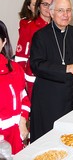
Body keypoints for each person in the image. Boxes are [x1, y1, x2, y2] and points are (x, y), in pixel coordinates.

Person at [30, 0, 73, 142]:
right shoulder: (41, 36)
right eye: (61, 10)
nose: (66, 14)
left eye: (68, 10)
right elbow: (36, 65)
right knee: (51, 140)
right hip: (50, 98)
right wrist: (64, 69)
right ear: (51, 13)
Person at [0, 20, 30, 154]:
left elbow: (24, 98)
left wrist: (22, 122)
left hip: (14, 135)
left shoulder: (15, 69)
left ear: (4, 42)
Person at [17, 0, 54, 101]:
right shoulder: (29, 27)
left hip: (53, 76)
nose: (48, 8)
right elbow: (21, 57)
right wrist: (21, 82)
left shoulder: (57, 26)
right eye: (45, 4)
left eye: (51, 4)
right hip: (34, 78)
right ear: (38, 6)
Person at [15, 0, 38, 69]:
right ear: (28, 7)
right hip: (29, 54)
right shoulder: (24, 22)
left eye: (38, 4)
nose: (37, 7)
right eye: (34, 5)